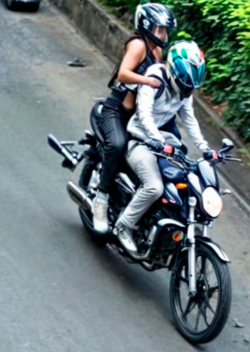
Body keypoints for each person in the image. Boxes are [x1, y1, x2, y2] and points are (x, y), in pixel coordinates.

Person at [114, 40, 215, 253]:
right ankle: (124, 225)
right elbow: (144, 114)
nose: (188, 87)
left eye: (191, 83)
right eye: (186, 81)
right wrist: (156, 139)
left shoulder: (184, 90)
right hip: (141, 141)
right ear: (174, 72)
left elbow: (189, 120)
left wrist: (205, 148)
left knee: (188, 182)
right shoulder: (155, 78)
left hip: (165, 144)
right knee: (154, 186)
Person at [92, 3, 177, 234]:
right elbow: (123, 73)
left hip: (139, 117)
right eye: (160, 29)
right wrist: (148, 81)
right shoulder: (138, 45)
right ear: (147, 26)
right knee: (118, 145)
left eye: (165, 30)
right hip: (117, 111)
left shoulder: (157, 51)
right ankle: (101, 199)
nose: (163, 35)